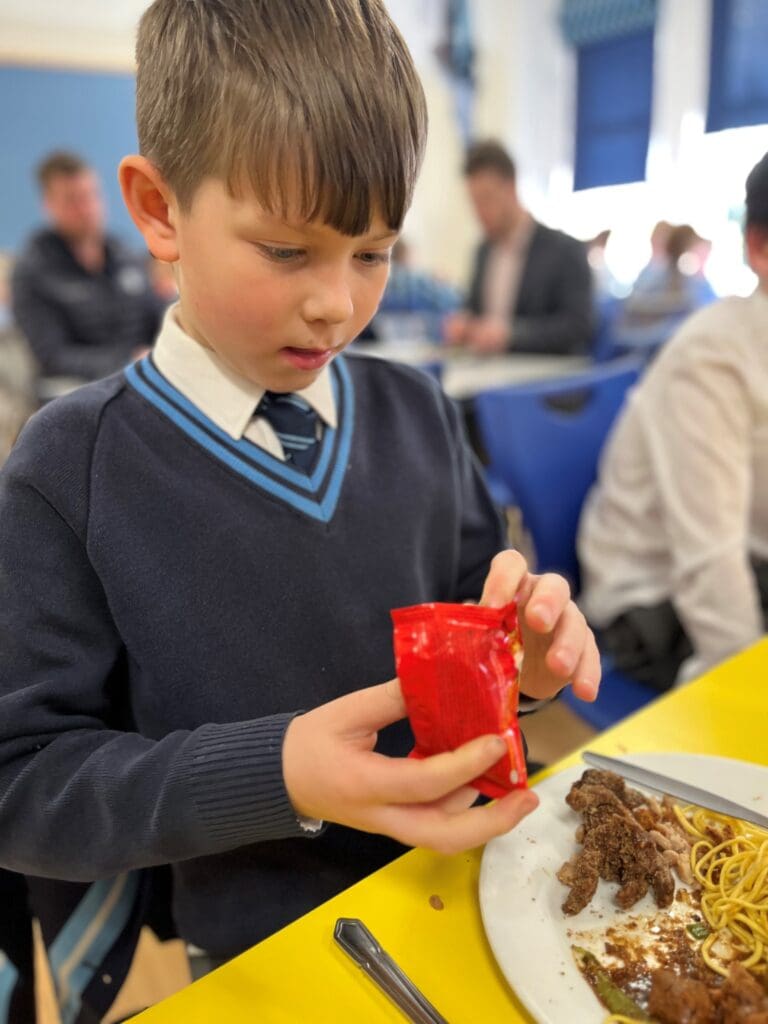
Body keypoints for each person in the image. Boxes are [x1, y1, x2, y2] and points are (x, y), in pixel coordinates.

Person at [0, 0, 599, 991]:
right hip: (258, 941)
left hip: (462, 888)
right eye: (287, 251)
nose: (337, 303)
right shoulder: (72, 469)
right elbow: (23, 780)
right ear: (159, 210)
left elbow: (468, 615)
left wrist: (521, 662)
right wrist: (275, 772)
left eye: (373, 252)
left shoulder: (415, 409)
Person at [578, 151, 768, 691]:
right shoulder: (712, 360)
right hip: (651, 600)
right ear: (759, 247)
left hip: (743, 557)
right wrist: (752, 703)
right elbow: (710, 569)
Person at [10, 151, 164, 384]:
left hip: (145, 376)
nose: (87, 208)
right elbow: (53, 357)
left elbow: (156, 317)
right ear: (48, 205)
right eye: (72, 200)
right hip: (80, 389)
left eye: (91, 195)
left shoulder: (125, 255)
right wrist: (128, 360)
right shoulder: (31, 273)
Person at [444, 140, 594, 355]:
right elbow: (473, 311)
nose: (479, 212)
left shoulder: (565, 251)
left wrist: (511, 335)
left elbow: (579, 327)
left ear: (511, 188)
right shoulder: (483, 252)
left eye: (487, 198)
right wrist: (464, 325)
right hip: (486, 373)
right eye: (474, 202)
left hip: (545, 379)